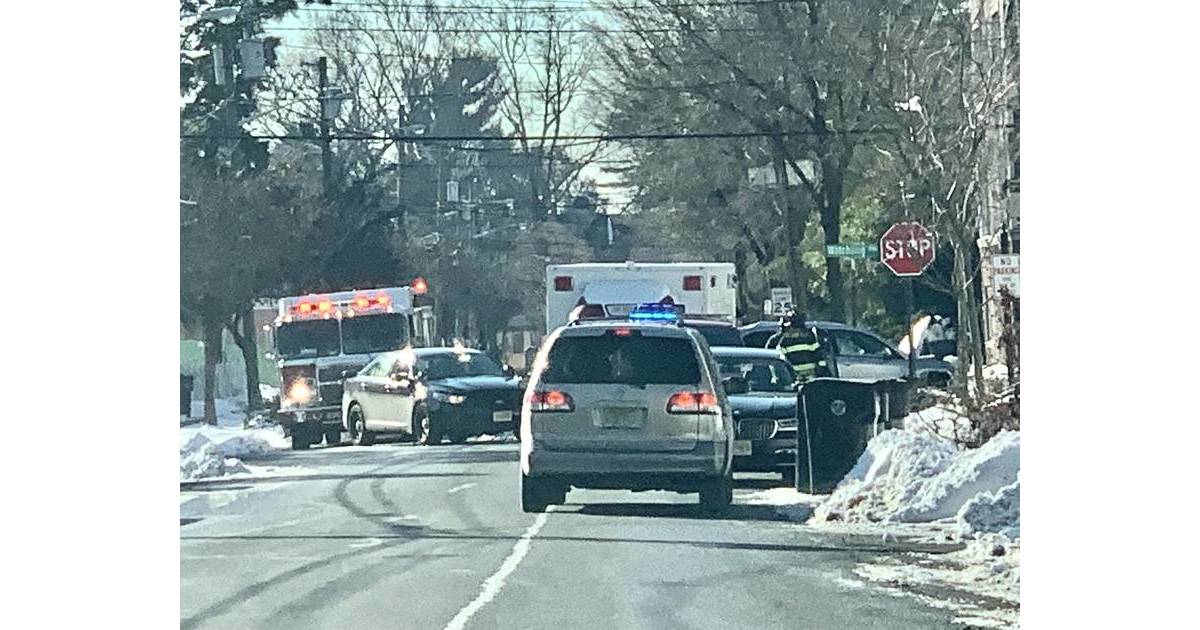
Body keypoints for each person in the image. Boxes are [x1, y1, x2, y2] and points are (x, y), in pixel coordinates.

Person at [775, 310, 832, 383]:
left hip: (807, 380)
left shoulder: (808, 338)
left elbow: (819, 358)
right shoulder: (808, 338)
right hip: (797, 380)